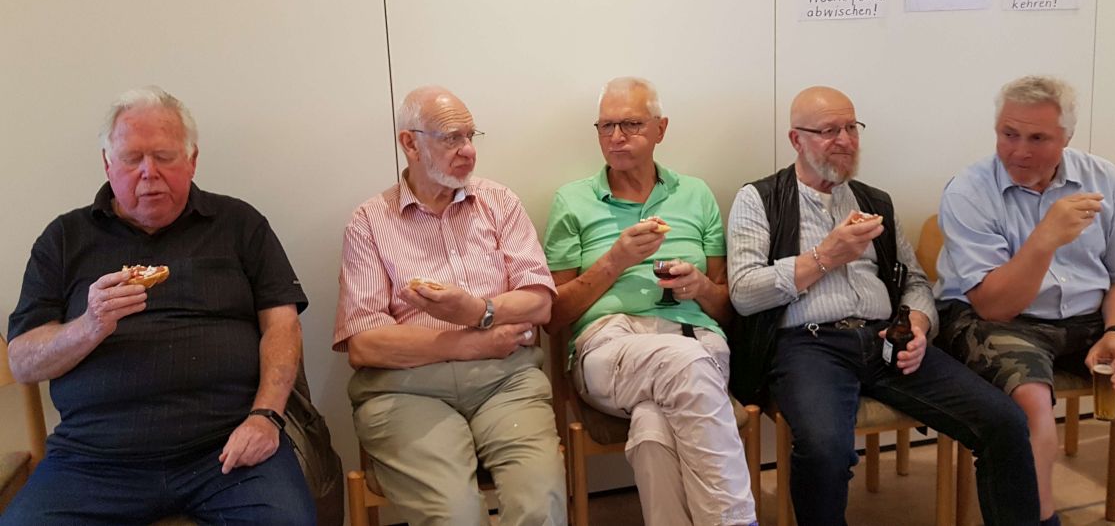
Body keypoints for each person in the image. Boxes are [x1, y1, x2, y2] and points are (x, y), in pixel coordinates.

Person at [727, 86, 1040, 526]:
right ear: (796, 139)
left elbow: (914, 281)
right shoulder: (759, 199)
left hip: (886, 338)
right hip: (808, 345)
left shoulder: (875, 202)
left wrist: (918, 323)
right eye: (829, 131)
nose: (844, 140)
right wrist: (825, 256)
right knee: (825, 450)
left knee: (1004, 421)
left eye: (851, 128)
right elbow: (743, 293)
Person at [3, 86, 315, 525]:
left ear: (192, 160)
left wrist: (265, 416)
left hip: (226, 446)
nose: (149, 172)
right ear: (108, 164)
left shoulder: (240, 224)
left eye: (165, 157)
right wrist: (89, 325)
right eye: (132, 159)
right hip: (93, 460)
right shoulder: (64, 239)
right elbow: (22, 363)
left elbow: (283, 326)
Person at [936, 75, 1115, 526]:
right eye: (1008, 134)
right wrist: (1044, 239)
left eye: (1038, 138)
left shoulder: (1102, 177)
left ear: (1067, 137)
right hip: (998, 318)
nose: (1019, 150)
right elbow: (994, 305)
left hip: (1091, 313)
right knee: (1030, 400)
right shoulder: (968, 190)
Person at [334, 86, 565, 526]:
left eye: (470, 136)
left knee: (541, 503)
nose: (468, 150)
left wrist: (476, 311)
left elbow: (539, 303)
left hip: (506, 381)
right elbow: (364, 346)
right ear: (410, 143)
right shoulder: (369, 222)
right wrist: (471, 343)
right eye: (451, 138)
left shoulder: (499, 202)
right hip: (406, 390)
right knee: (455, 515)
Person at [542, 77, 758, 526]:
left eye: (631, 124)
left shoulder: (695, 194)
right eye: (606, 126)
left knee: (653, 426)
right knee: (686, 364)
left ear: (661, 128)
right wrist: (615, 261)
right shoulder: (573, 200)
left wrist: (699, 287)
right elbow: (553, 315)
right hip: (608, 345)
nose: (616, 137)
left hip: (696, 337)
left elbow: (726, 308)